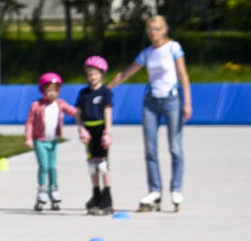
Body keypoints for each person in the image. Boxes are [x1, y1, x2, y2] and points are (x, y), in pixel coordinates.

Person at [107, 15, 192, 213]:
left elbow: (183, 75)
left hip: (171, 100)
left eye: (156, 29)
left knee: (175, 147)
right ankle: (154, 190)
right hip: (151, 102)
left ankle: (176, 189)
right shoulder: (147, 53)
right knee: (150, 149)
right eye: (150, 30)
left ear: (165, 29)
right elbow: (127, 73)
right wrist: (105, 89)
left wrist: (187, 102)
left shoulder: (173, 48)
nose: (153, 33)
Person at [24, 73, 78, 212]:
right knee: (44, 167)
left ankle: (53, 189)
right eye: (48, 90)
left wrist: (85, 112)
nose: (52, 93)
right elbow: (29, 122)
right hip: (39, 141)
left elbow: (73, 112)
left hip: (53, 141)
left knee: (53, 167)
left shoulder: (60, 104)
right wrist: (28, 138)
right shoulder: (36, 105)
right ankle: (42, 190)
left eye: (55, 90)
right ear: (43, 91)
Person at [76, 56, 115, 215]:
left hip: (100, 129)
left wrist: (108, 131)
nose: (92, 77)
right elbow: (78, 114)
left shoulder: (105, 92)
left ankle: (107, 196)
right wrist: (81, 130)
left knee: (103, 164)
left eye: (95, 74)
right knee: (92, 164)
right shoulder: (84, 93)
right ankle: (95, 194)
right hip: (88, 132)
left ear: (101, 74)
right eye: (90, 74)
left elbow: (107, 112)